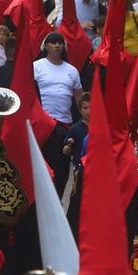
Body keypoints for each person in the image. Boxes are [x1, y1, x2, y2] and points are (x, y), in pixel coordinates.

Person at [34, 32, 84, 196]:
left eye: (60, 43)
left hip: (64, 126)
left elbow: (80, 99)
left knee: (62, 169)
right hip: (42, 125)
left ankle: (58, 201)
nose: (57, 46)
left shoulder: (72, 71)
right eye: (53, 43)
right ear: (45, 46)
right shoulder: (36, 66)